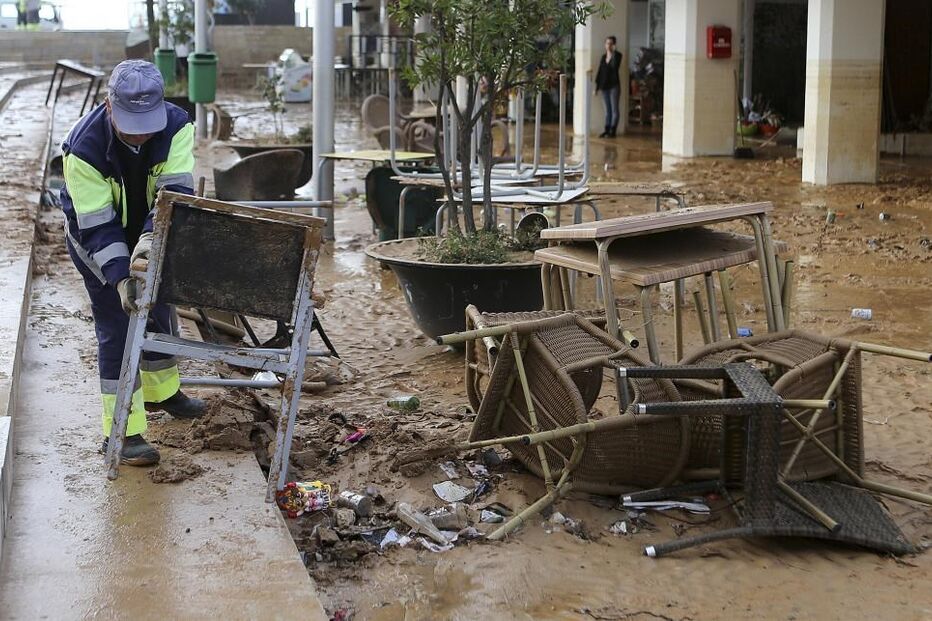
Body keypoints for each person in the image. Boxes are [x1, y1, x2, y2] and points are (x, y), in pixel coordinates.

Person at [60, 60, 205, 467]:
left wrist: (147, 250)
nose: (141, 132)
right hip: (97, 236)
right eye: (130, 122)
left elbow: (171, 197)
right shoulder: (83, 149)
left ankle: (163, 392)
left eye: (147, 121)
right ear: (109, 107)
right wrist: (123, 278)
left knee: (159, 301)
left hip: (147, 228)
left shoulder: (177, 127)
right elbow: (97, 227)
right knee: (118, 323)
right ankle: (122, 431)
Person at [595, 35, 623, 138]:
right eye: (607, 43)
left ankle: (613, 130)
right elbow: (600, 72)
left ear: (614, 45)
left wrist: (613, 53)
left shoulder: (618, 56)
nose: (608, 46)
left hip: (614, 86)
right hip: (604, 86)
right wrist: (597, 87)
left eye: (611, 44)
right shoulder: (603, 57)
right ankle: (606, 129)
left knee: (614, 108)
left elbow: (615, 67)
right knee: (607, 110)